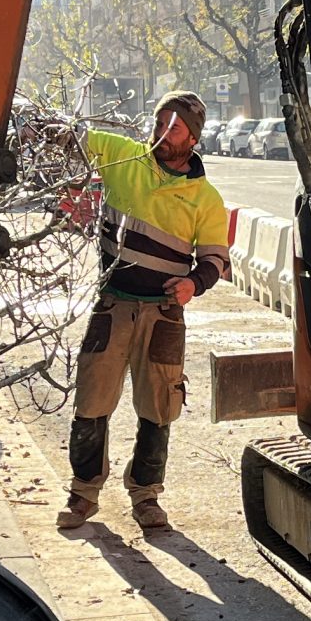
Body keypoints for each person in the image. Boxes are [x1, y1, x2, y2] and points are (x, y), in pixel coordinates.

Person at [59, 94, 230, 535]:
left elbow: (215, 259)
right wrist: (47, 132)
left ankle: (146, 496)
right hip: (112, 306)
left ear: (193, 139)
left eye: (174, 127)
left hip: (164, 315)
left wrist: (194, 284)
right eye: (159, 123)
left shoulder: (205, 199)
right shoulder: (124, 157)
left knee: (159, 408)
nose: (162, 133)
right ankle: (83, 493)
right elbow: (72, 139)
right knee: (91, 401)